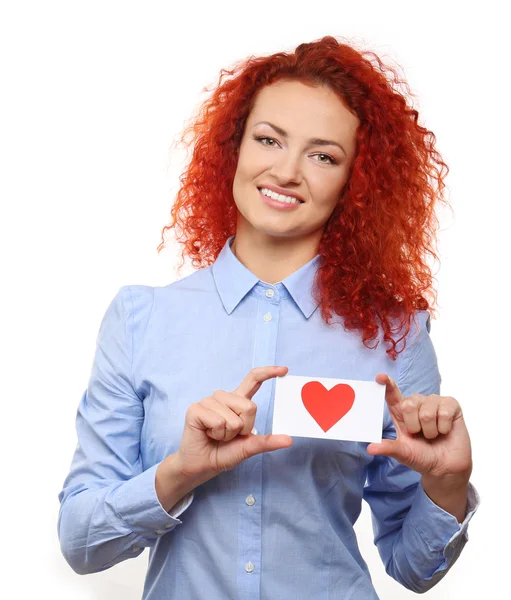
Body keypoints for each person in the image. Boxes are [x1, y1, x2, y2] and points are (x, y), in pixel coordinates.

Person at [58, 36, 479, 599]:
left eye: (323, 155)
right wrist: (179, 472)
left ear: (355, 182)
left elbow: (413, 567)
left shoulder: (395, 334)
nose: (286, 171)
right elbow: (81, 543)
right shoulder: (141, 319)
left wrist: (446, 486)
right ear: (234, 148)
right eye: (268, 140)